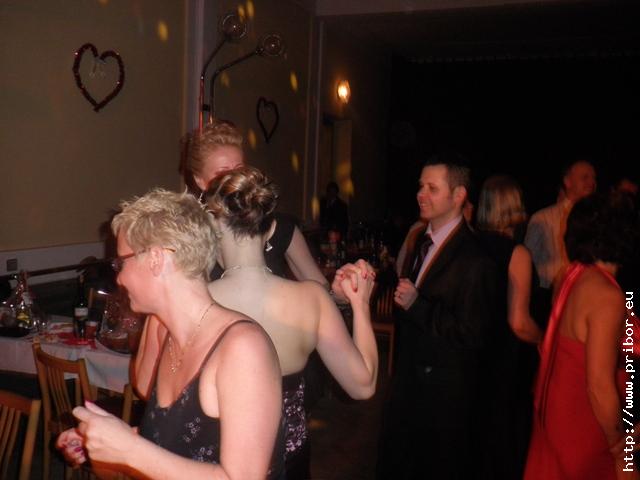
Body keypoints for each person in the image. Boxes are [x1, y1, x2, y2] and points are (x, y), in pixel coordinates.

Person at [57, 189, 283, 479]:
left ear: (155, 258)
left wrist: (130, 450)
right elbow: (176, 446)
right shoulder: (168, 336)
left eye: (121, 263)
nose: (119, 277)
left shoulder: (242, 348)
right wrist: (106, 442)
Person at [204, 166, 378, 479]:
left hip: (219, 462)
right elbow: (363, 386)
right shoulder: (312, 299)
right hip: (289, 460)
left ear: (214, 225)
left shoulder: (198, 301)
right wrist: (360, 303)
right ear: (271, 229)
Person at [377, 154, 499, 479]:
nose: (421, 194)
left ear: (458, 195)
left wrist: (418, 305)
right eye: (421, 186)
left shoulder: (475, 259)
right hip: (410, 380)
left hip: (441, 397)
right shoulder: (421, 239)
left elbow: (473, 334)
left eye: (432, 188)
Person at [524, 193, 640, 480]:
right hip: (589, 425)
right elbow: (599, 386)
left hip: (559, 418)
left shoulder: (571, 275)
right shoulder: (606, 296)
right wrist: (621, 450)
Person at [182, 119, 330, 287]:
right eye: (222, 174)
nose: (234, 179)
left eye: (239, 170)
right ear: (199, 180)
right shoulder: (189, 235)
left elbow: (321, 289)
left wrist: (339, 292)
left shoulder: (278, 226)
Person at [474, 174, 542, 479]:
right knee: (503, 439)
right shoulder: (517, 253)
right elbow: (519, 322)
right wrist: (545, 339)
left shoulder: (469, 244)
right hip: (504, 358)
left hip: (474, 353)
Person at [525, 160, 597, 290]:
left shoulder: (600, 219)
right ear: (567, 181)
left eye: (594, 178)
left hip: (589, 290)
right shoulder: (543, 218)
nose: (591, 182)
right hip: (551, 293)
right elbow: (527, 262)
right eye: (585, 177)